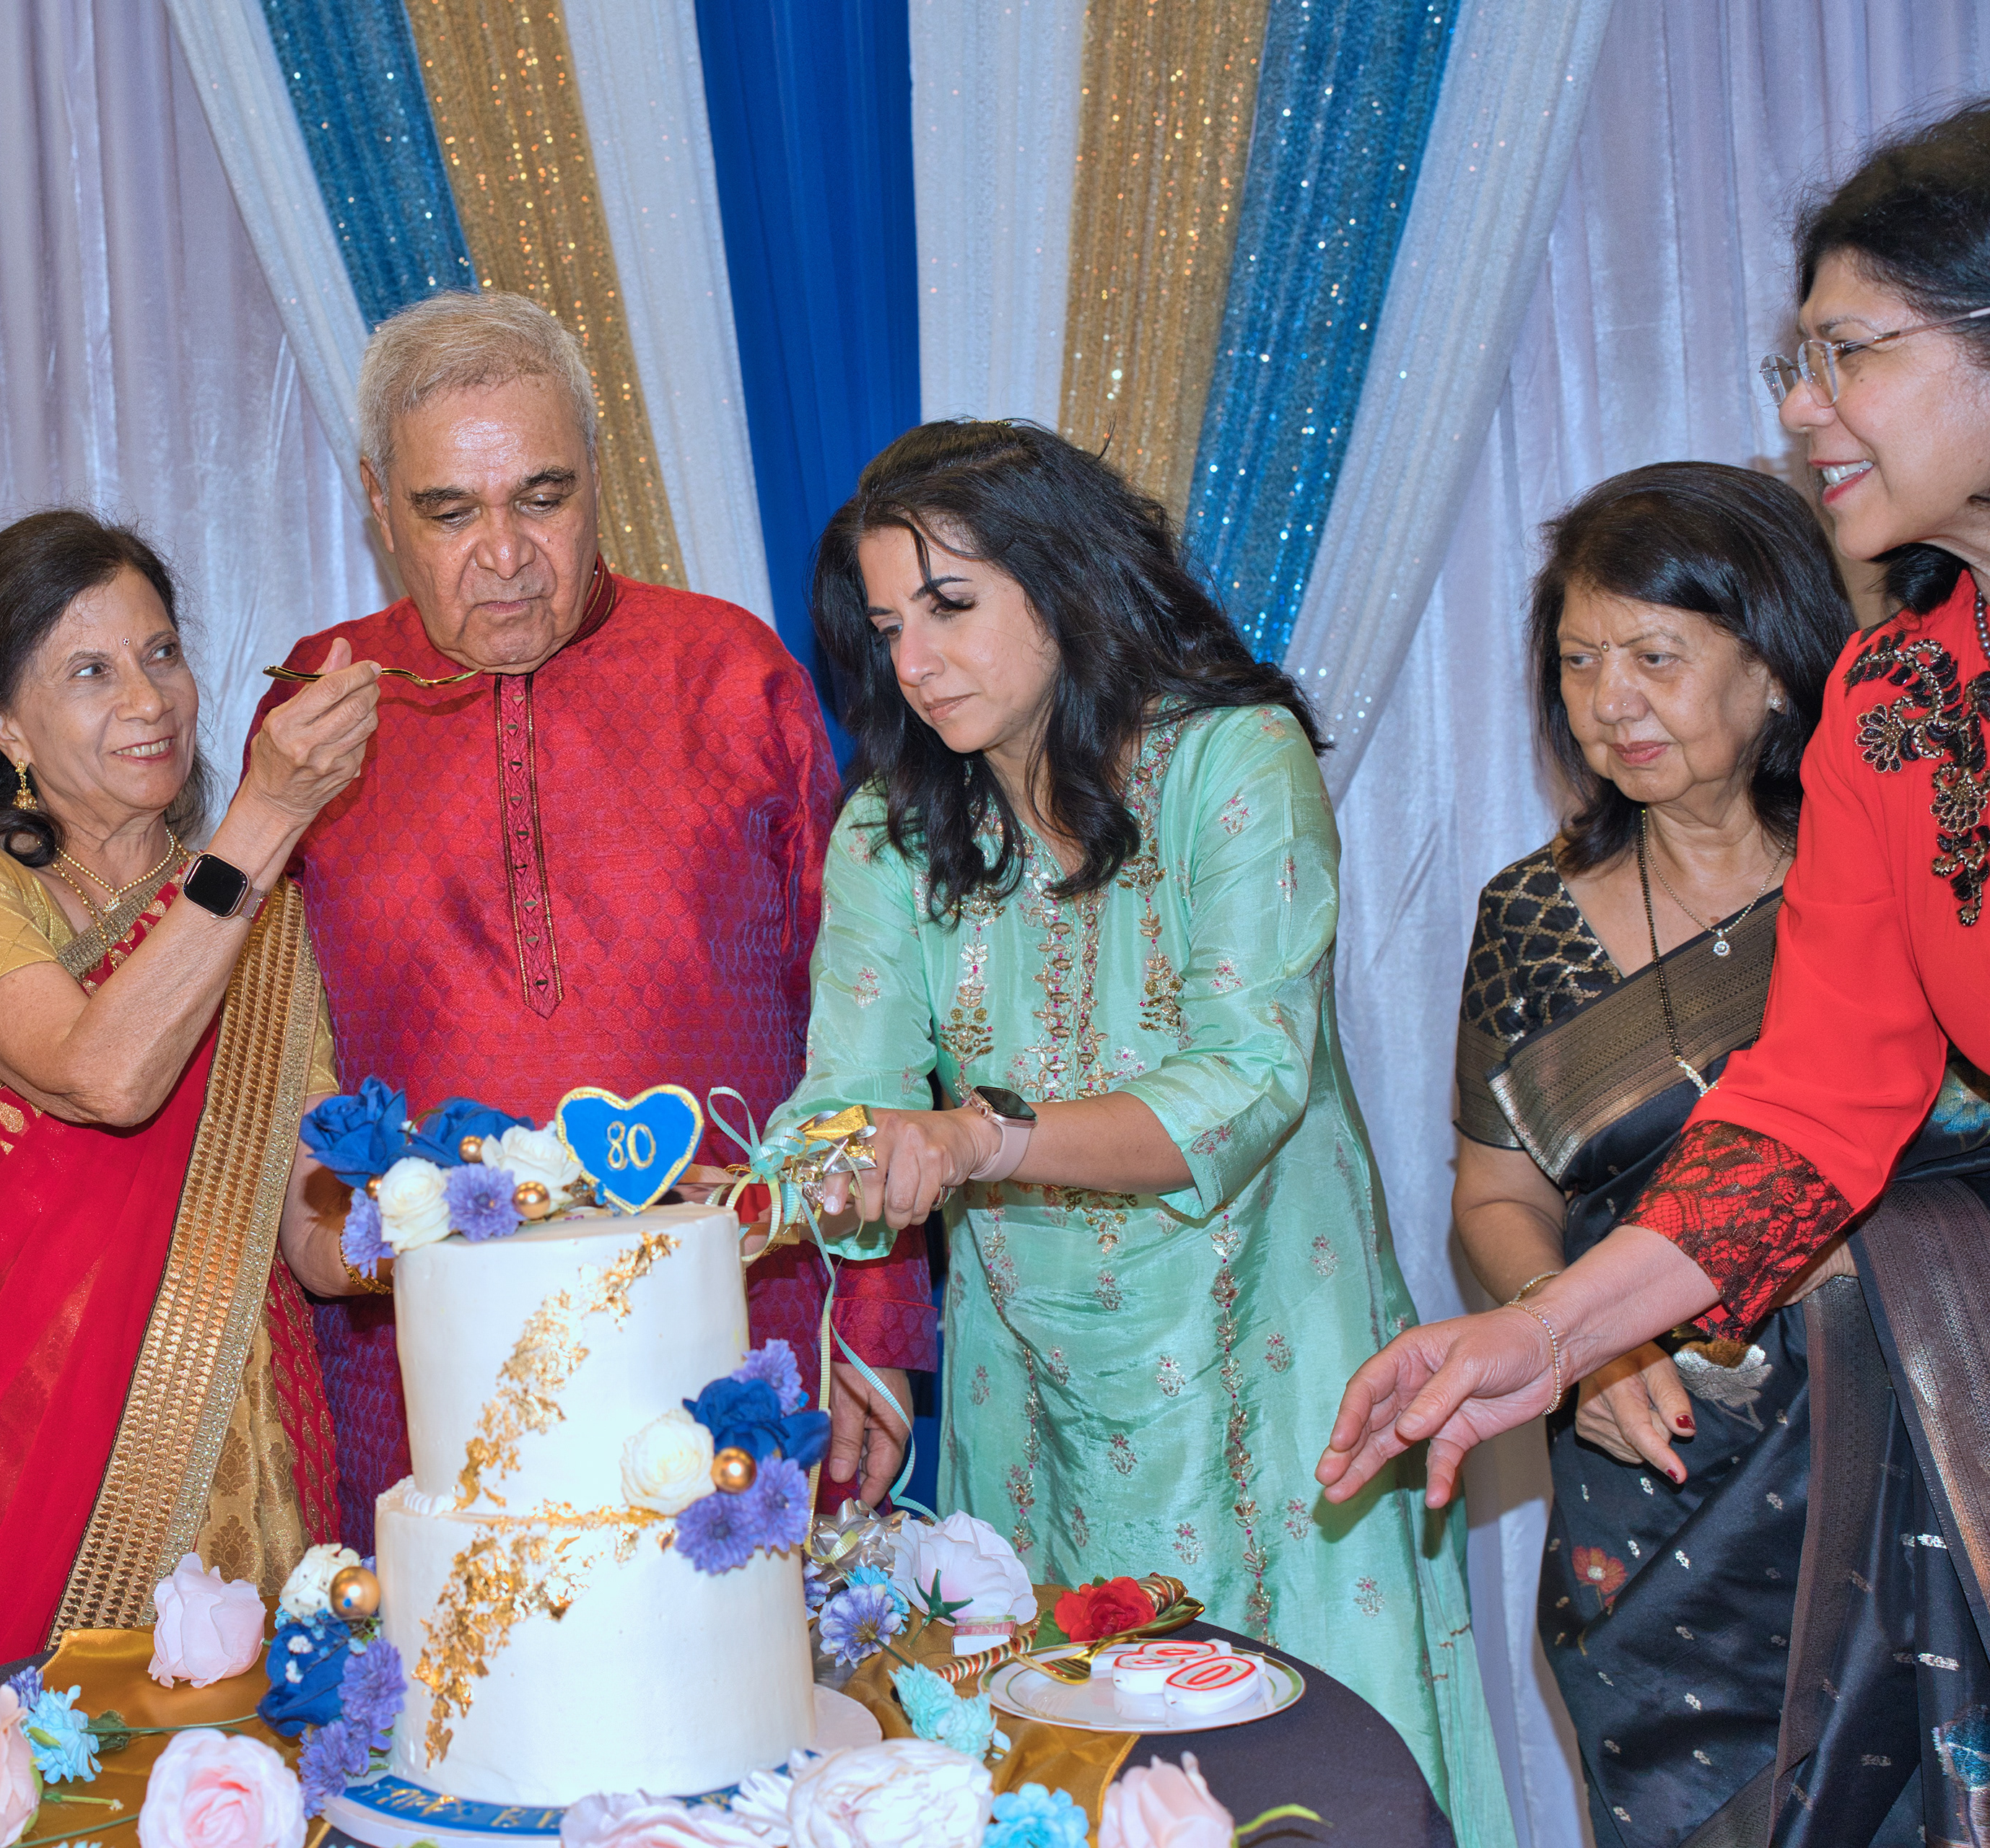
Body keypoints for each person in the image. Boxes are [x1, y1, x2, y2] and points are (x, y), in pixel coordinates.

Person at [0, 292, 933, 1551]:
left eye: (543, 496)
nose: (505, 555)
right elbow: (225, 1015)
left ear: (599, 477)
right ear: (378, 505)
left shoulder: (735, 676)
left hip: (733, 1332)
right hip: (418, 1374)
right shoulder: (314, 720)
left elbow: (861, 1030)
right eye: (449, 511)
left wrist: (876, 1321)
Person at [1319, 100, 1990, 1843]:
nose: (1802, 407)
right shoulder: (1898, 703)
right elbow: (1813, 1103)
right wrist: (1544, 1331)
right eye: (1793, 360)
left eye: (1850, 352)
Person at [773, 419, 1513, 1845]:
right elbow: (838, 1101)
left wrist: (976, 1143)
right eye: (887, 626)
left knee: (1315, 1778)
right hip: (1032, 1390)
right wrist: (818, 1169)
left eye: (951, 605)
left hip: (1278, 1370)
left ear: (1064, 583)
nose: (915, 660)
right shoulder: (890, 833)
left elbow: (1246, 1080)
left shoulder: (1233, 762)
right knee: (1063, 1770)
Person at [0, 510, 383, 1695]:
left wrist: (447, 1217)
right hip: (9, 1462)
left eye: (161, 653)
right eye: (88, 672)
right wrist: (267, 818)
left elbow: (313, 1236)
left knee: (240, 1773)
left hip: (227, 1449)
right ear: (1, 724)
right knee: (40, 1769)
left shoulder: (259, 917)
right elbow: (104, 1076)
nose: (148, 700)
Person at [1452, 462, 1860, 1844]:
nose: (1610, 701)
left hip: (1896, 1436)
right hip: (1649, 1458)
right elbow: (1495, 1194)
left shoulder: (1888, 880)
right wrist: (1579, 1340)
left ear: (1775, 672)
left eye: (1656, 657)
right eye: (1579, 662)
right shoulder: (1531, 915)